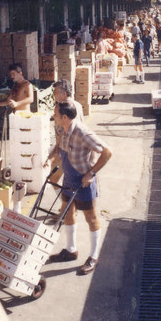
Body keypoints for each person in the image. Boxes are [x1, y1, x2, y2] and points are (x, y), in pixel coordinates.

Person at [46, 101, 112, 275]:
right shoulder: (63, 130)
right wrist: (49, 159)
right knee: (67, 213)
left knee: (91, 218)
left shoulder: (82, 133)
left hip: (83, 182)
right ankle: (71, 250)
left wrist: (91, 173)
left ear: (65, 117)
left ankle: (94, 256)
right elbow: (61, 152)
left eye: (56, 114)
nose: (54, 116)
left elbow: (107, 152)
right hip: (69, 179)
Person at [45, 79, 83, 184]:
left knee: (53, 178)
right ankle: (66, 195)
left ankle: (65, 195)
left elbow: (64, 132)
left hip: (68, 150)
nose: (54, 94)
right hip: (76, 149)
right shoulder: (77, 105)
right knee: (66, 180)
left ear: (64, 93)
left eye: (56, 92)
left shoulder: (64, 108)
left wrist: (56, 151)